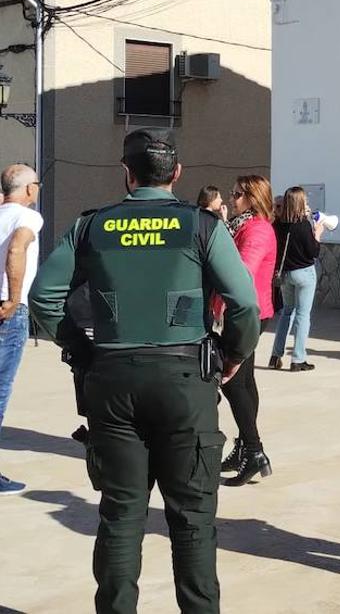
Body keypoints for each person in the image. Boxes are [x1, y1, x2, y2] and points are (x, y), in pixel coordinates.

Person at [29, 128, 260, 614]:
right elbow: (243, 304)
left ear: (126, 173)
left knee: (120, 516)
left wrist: (80, 350)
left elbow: (44, 298)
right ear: (176, 173)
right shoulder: (201, 226)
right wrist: (234, 356)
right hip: (185, 384)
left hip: (111, 382)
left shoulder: (92, 226)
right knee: (193, 520)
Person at [218, 175, 277, 486]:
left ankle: (254, 451)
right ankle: (245, 446)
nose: (232, 198)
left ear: (253, 198)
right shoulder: (242, 225)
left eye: (238, 194)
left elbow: (241, 272)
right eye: (233, 192)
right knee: (245, 381)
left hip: (245, 314)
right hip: (245, 312)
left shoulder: (257, 230)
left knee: (233, 383)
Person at [0, 164, 43, 495]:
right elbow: (17, 248)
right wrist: (14, 298)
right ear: (29, 189)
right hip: (6, 312)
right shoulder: (28, 217)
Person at [270, 186, 323, 371]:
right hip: (304, 273)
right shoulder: (303, 225)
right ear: (301, 203)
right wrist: (317, 234)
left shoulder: (278, 224)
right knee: (302, 314)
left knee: (286, 312)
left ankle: (276, 355)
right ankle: (298, 358)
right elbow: (313, 252)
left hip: (285, 274)